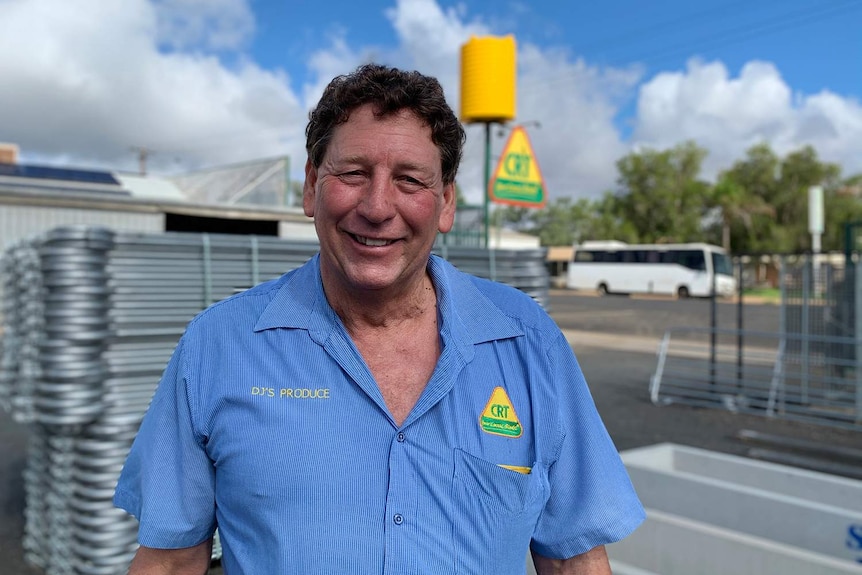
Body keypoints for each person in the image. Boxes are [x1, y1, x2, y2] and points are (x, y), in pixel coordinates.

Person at [113, 63, 644, 575]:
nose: (377, 206)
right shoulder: (218, 346)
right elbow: (169, 560)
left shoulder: (528, 342)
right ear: (310, 185)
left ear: (446, 204)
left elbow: (574, 558)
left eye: (411, 180)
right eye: (352, 173)